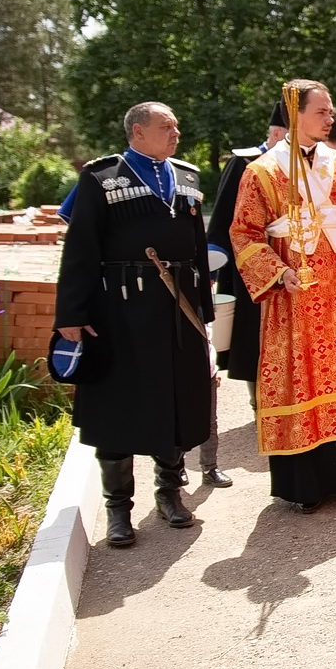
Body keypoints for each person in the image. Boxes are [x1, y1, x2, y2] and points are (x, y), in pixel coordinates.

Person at [54, 102, 212, 546]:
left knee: (176, 400)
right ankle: (118, 509)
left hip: (177, 309)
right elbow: (81, 248)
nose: (175, 132)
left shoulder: (187, 176)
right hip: (120, 309)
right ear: (138, 132)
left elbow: (197, 250)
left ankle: (169, 495)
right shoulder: (102, 177)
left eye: (177, 125)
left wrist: (204, 311)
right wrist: (72, 315)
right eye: (167, 126)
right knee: (119, 406)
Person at [229, 79, 336, 512]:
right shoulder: (261, 172)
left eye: (331, 111)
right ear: (295, 114)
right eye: (321, 111)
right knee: (300, 379)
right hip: (292, 295)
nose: (329, 118)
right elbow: (243, 232)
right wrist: (277, 271)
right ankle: (307, 483)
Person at [200, 100, 291, 486]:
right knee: (256, 343)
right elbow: (222, 222)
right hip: (251, 267)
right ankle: (261, 408)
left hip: (301, 270)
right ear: (276, 134)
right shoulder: (244, 164)